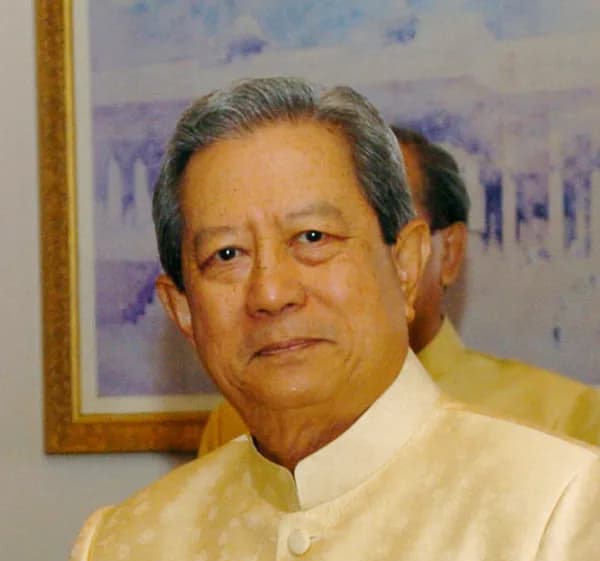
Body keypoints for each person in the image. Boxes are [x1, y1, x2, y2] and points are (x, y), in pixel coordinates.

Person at [1, 76, 599, 561]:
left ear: (406, 264)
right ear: (182, 309)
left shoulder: (558, 509)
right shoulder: (124, 555)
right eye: (226, 256)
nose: (272, 292)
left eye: (312, 239)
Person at [199, 128, 600, 455]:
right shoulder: (241, 421)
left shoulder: (563, 420)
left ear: (447, 252)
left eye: (385, 231)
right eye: (316, 236)